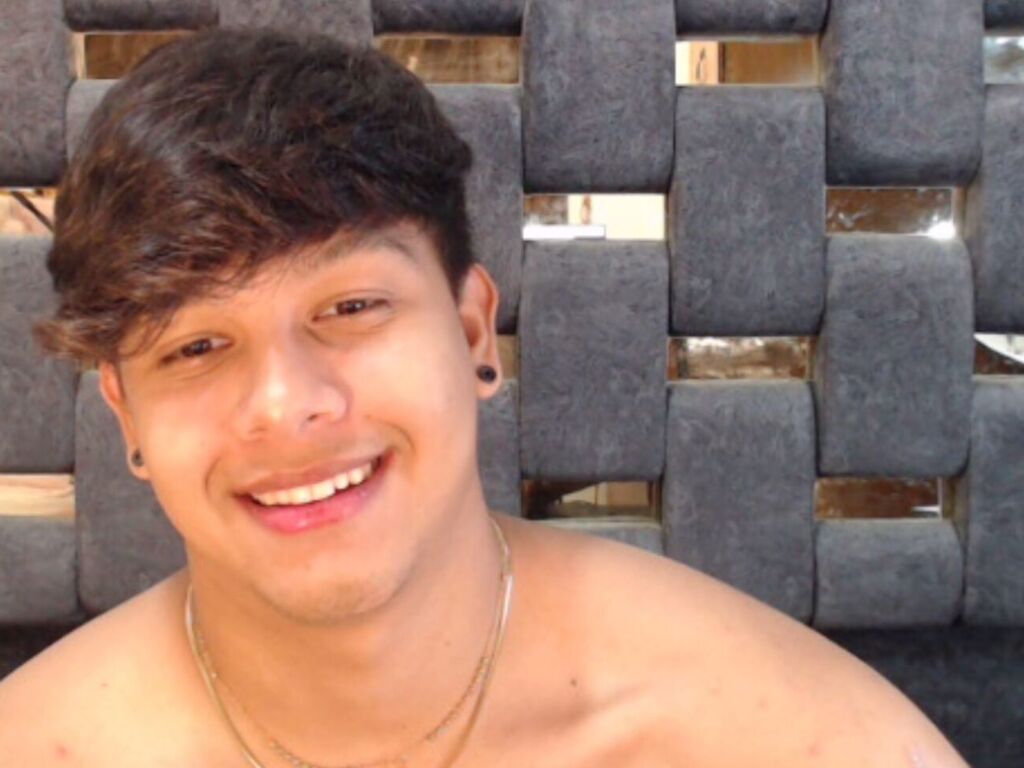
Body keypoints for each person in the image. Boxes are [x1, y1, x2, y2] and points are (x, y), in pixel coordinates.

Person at [0, 26, 968, 767]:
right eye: (197, 347)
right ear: (127, 416)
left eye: (351, 306)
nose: (287, 403)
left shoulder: (792, 737)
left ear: (471, 332)